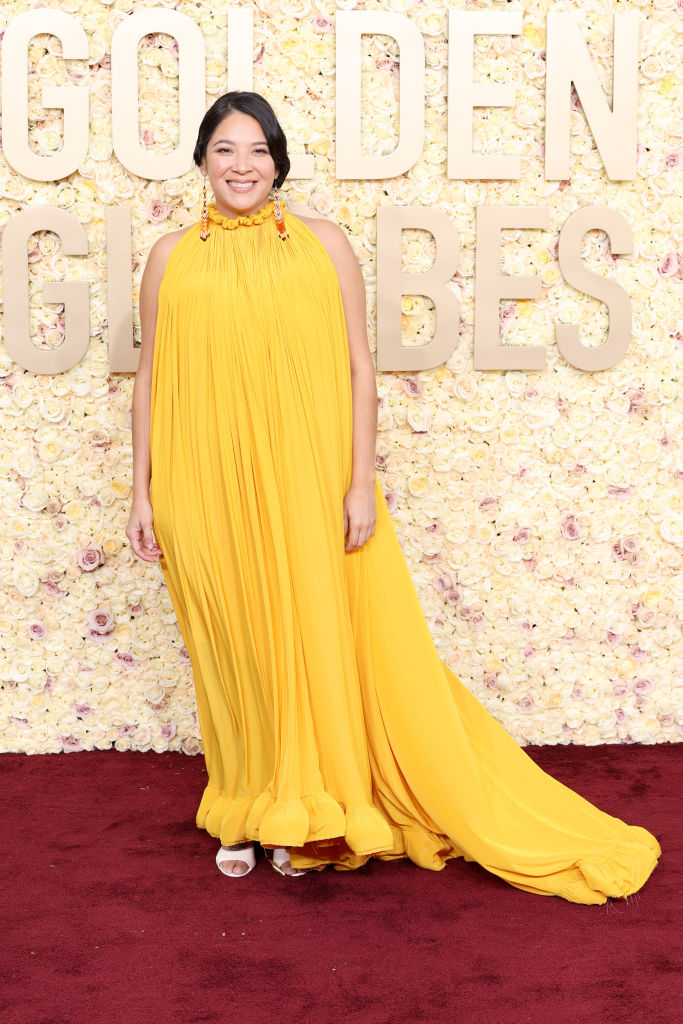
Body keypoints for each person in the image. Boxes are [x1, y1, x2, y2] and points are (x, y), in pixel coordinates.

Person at [127, 90, 661, 900]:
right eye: (226, 150)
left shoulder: (325, 245)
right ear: (202, 159)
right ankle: (243, 806)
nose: (242, 166)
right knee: (234, 646)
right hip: (202, 481)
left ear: (279, 161)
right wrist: (142, 492)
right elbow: (149, 378)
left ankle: (304, 809)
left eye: (258, 151)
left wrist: (358, 485)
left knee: (304, 638)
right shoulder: (169, 255)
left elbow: (357, 369)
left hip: (306, 478)